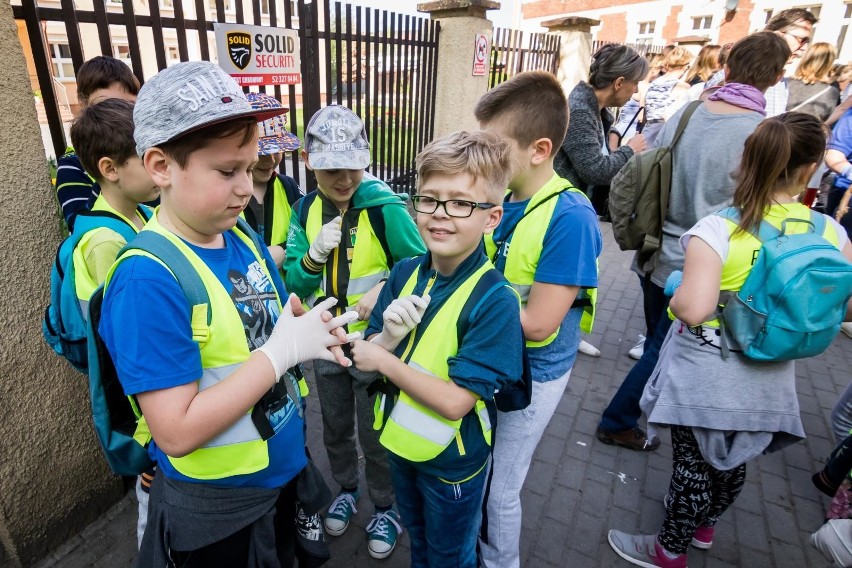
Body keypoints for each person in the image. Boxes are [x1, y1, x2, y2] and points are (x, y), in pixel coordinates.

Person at [99, 61, 355, 567]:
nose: (245, 188)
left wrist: (307, 327)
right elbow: (175, 431)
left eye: (250, 167)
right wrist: (282, 353)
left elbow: (273, 310)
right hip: (224, 510)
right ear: (160, 166)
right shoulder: (147, 280)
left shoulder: (237, 232)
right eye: (226, 171)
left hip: (279, 474)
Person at [608, 111, 852, 568]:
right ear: (807, 170)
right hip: (773, 376)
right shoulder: (830, 232)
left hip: (708, 376)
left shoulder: (718, 229)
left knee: (692, 467)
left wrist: (680, 287)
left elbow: (693, 308)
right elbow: (845, 306)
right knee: (734, 460)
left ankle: (668, 550)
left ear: (745, 161)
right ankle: (705, 526)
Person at [596, 32, 792, 452]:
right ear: (775, 77)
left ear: (728, 65)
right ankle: (618, 419)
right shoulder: (762, 134)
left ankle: (653, 412)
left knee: (658, 341)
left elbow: (649, 170)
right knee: (658, 351)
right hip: (704, 266)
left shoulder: (687, 114)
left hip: (654, 253)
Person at [349, 130, 523, 568]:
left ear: (491, 217)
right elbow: (370, 348)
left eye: (461, 203)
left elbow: (454, 402)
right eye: (428, 199)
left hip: (453, 462)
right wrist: (385, 337)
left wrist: (383, 356)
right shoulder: (406, 270)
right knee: (421, 542)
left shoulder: (495, 300)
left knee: (449, 555)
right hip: (399, 440)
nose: (440, 215)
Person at [283, 105, 425, 559]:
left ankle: (386, 505)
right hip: (324, 342)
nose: (343, 179)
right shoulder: (304, 210)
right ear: (309, 162)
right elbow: (295, 284)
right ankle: (346, 488)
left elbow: (420, 267)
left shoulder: (385, 209)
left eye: (351, 166)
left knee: (376, 429)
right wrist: (312, 257)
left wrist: (385, 287)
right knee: (336, 424)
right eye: (330, 169)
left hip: (375, 343)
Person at [475, 70, 602, 568]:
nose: (485, 158)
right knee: (482, 474)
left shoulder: (571, 216)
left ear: (539, 149)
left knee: (501, 488)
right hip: (496, 361)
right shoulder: (505, 199)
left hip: (534, 372)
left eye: (494, 146)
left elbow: (538, 324)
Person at [69, 97, 159, 548]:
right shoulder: (105, 240)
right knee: (154, 500)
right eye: (147, 158)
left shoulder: (139, 214)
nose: (160, 167)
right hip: (145, 409)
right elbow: (125, 344)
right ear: (110, 168)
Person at [555, 44, 648, 217]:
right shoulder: (580, 111)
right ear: (619, 83)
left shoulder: (595, 109)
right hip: (562, 211)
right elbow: (594, 171)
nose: (636, 90)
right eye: (635, 83)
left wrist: (613, 138)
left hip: (572, 208)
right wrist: (630, 150)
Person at [55, 56, 140, 229]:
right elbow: (80, 224)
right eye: (107, 104)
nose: (120, 113)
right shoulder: (72, 166)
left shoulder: (146, 151)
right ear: (83, 103)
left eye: (129, 105)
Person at [243, 93, 303, 271]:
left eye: (277, 150)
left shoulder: (288, 187)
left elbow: (305, 233)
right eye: (261, 153)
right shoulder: (223, 195)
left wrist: (283, 250)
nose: (270, 160)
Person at [640, 46, 692, 146]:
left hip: (647, 134)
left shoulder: (653, 83)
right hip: (664, 136)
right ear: (685, 66)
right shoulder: (682, 87)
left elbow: (644, 112)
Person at [786, 42, 840, 121]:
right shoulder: (830, 91)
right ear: (828, 64)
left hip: (778, 129)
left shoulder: (785, 83)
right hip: (807, 131)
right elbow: (827, 117)